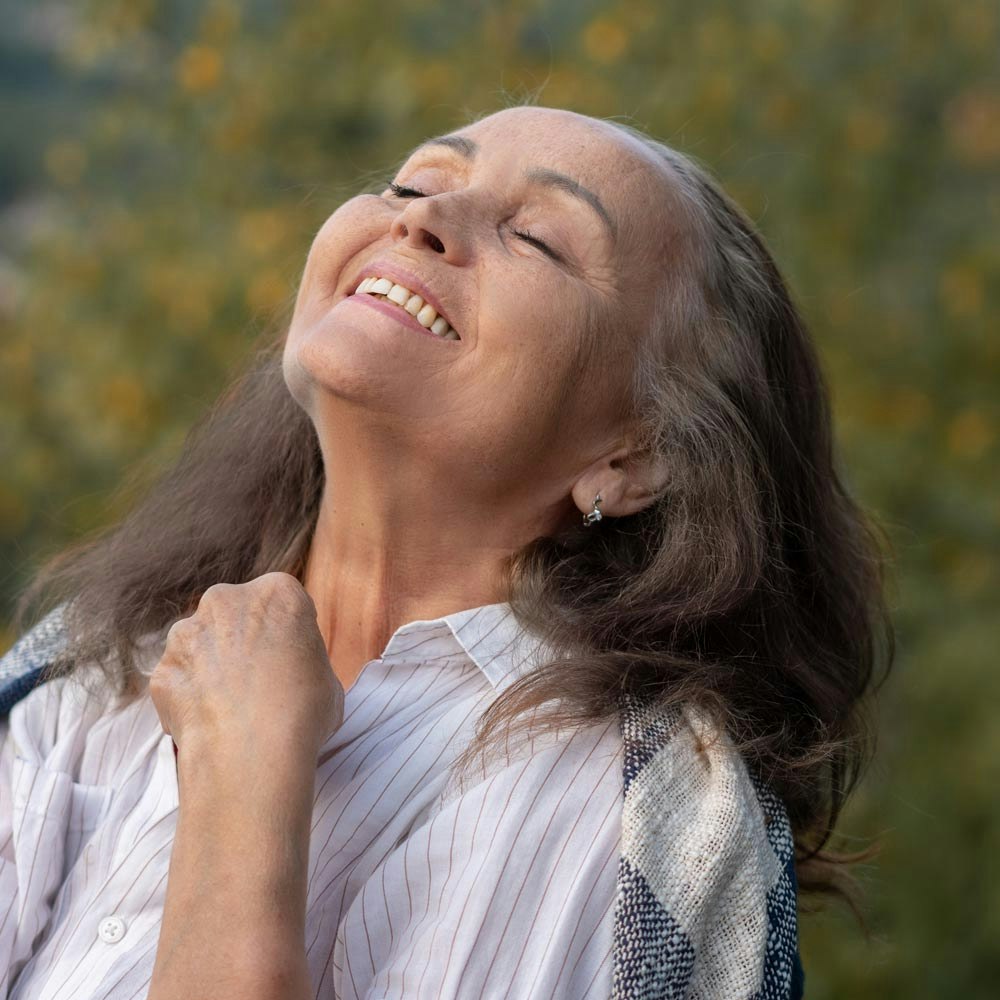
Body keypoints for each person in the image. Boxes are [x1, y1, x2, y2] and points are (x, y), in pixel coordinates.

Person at [0, 104, 892, 999]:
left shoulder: (634, 836)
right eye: (416, 182)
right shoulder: (91, 671)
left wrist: (243, 779)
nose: (422, 217)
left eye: (538, 239)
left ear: (635, 453)